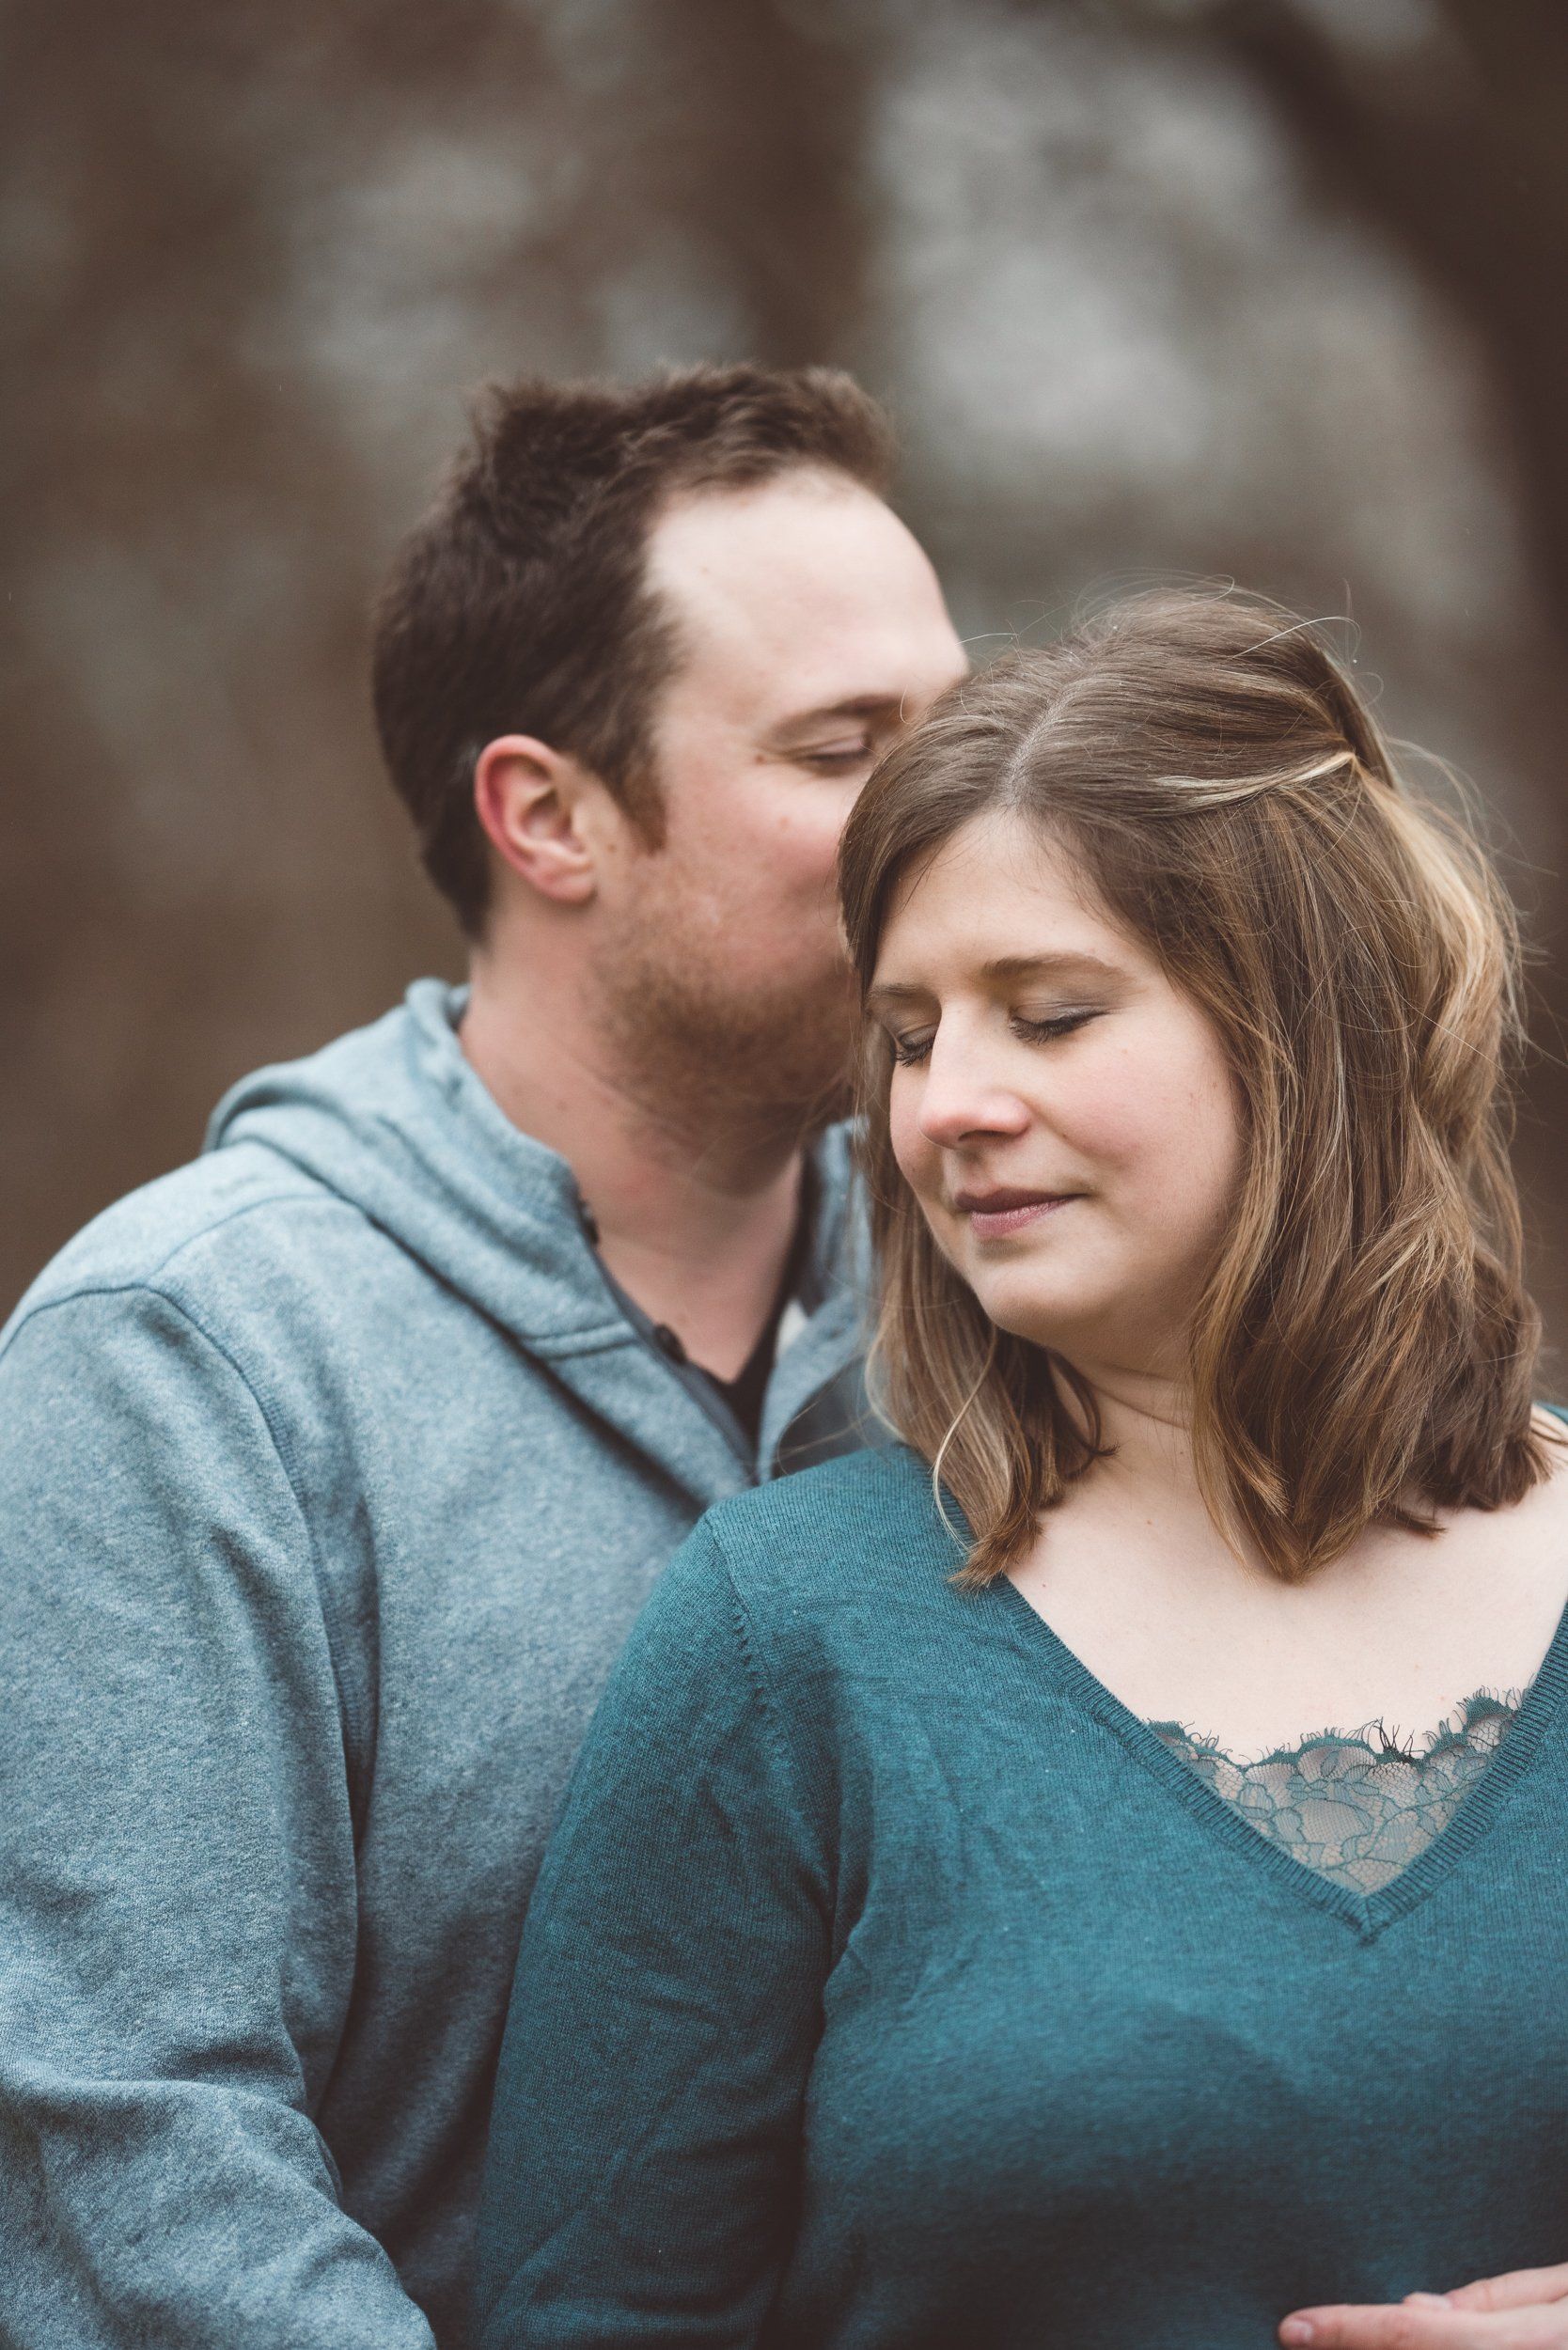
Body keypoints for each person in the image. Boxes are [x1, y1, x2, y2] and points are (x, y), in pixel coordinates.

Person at [477, 588, 1568, 2350]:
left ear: (1316, 1037)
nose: (944, 1104)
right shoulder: (791, 1644)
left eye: (1047, 1016)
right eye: (909, 1036)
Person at [0, 364, 966, 2350]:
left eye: (963, 731)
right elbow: (139, 2153)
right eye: (849, 744)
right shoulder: (190, 1359)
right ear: (547, 814)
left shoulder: (1019, 1301)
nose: (959, 818)